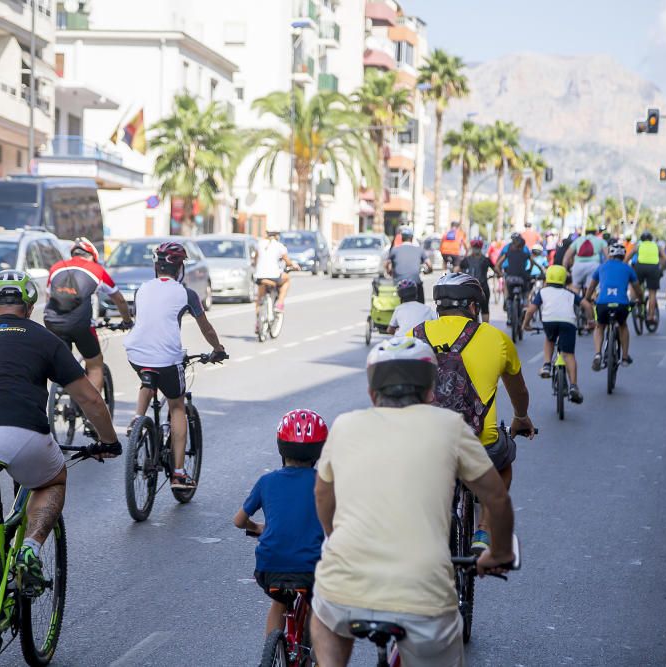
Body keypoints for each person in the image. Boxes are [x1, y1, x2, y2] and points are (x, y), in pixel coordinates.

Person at [0, 270, 121, 620]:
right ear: (29, 307)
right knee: (52, 479)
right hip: (22, 435)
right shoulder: (44, 339)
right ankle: (30, 548)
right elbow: (90, 399)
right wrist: (108, 441)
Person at [310, 337, 515, 667]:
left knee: (324, 619)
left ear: (371, 392)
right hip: (424, 599)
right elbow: (496, 498)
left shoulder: (345, 425)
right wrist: (500, 553)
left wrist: (333, 537)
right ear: (430, 391)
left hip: (343, 589)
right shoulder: (449, 426)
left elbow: (323, 494)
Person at [410, 272, 535, 554]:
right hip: (480, 444)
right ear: (473, 307)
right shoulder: (496, 338)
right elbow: (519, 391)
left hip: (426, 442)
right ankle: (484, 531)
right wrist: (521, 417)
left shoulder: (413, 336)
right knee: (503, 463)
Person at [123, 242, 227, 489]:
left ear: (155, 266)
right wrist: (218, 349)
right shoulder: (186, 294)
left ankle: (137, 419)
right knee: (177, 406)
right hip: (167, 359)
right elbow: (207, 328)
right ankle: (179, 474)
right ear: (180, 268)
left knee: (148, 376)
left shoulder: (142, 289)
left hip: (135, 353)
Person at [233, 409, 327, 637]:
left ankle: (273, 651)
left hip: (269, 568)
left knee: (279, 602)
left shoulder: (267, 481)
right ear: (319, 450)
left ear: (281, 447)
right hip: (310, 569)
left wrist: (256, 528)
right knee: (319, 607)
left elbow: (239, 521)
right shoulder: (324, 483)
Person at [44, 237, 133, 392]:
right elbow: (119, 299)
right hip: (80, 324)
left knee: (63, 362)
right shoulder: (96, 269)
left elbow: (48, 297)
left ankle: (59, 392)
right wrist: (127, 321)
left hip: (52, 322)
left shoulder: (56, 267)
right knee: (95, 365)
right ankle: (91, 409)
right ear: (92, 256)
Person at [522, 265, 591, 404]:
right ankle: (573, 386)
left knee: (549, 339)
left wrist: (525, 325)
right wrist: (590, 321)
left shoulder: (543, 292)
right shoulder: (569, 293)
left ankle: (547, 364)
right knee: (569, 354)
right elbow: (587, 306)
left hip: (549, 322)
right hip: (568, 323)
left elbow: (531, 310)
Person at [584, 243, 642, 371]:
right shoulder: (628, 268)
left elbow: (592, 286)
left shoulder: (602, 267)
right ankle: (625, 357)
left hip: (603, 303)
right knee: (623, 326)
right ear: (623, 256)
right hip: (621, 304)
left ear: (610, 255)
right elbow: (637, 288)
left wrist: (587, 298)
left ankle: (598, 353)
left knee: (600, 326)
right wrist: (641, 299)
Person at [255, 230, 300, 324]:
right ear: (277, 235)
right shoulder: (279, 246)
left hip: (259, 277)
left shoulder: (259, 244)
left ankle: (257, 324)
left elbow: (255, 259)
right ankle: (280, 304)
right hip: (274, 276)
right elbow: (287, 262)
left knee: (259, 299)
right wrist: (295, 266)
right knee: (286, 279)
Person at [386, 227, 432, 303]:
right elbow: (429, 264)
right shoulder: (419, 249)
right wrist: (429, 271)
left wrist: (390, 272)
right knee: (420, 303)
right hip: (415, 282)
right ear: (412, 238)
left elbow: (387, 264)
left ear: (402, 238)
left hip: (398, 283)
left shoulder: (395, 249)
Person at [625, 231, 663, 323]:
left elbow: (628, 257)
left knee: (635, 286)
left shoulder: (638, 245)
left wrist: (624, 266)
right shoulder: (657, 246)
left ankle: (633, 302)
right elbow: (665, 258)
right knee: (652, 293)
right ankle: (650, 316)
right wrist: (661, 268)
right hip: (654, 267)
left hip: (640, 267)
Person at [496, 233, 540, 311]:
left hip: (509, 273)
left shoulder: (507, 249)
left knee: (506, 284)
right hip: (522, 275)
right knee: (526, 290)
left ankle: (507, 301)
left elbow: (498, 263)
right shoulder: (525, 251)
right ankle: (525, 304)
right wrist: (530, 270)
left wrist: (500, 273)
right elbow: (534, 262)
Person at [459, 238, 497, 323]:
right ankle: (485, 328)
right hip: (483, 288)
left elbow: (457, 270)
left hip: (469, 289)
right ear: (481, 248)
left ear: (472, 247)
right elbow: (496, 269)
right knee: (485, 309)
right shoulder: (486, 259)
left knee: (466, 308)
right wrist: (500, 274)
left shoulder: (466, 260)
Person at [563, 226, 608, 294]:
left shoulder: (578, 240)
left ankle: (576, 303)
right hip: (594, 266)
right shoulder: (601, 241)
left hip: (578, 266)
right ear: (596, 232)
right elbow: (608, 257)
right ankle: (589, 303)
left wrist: (565, 269)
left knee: (575, 289)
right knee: (591, 290)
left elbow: (566, 256)